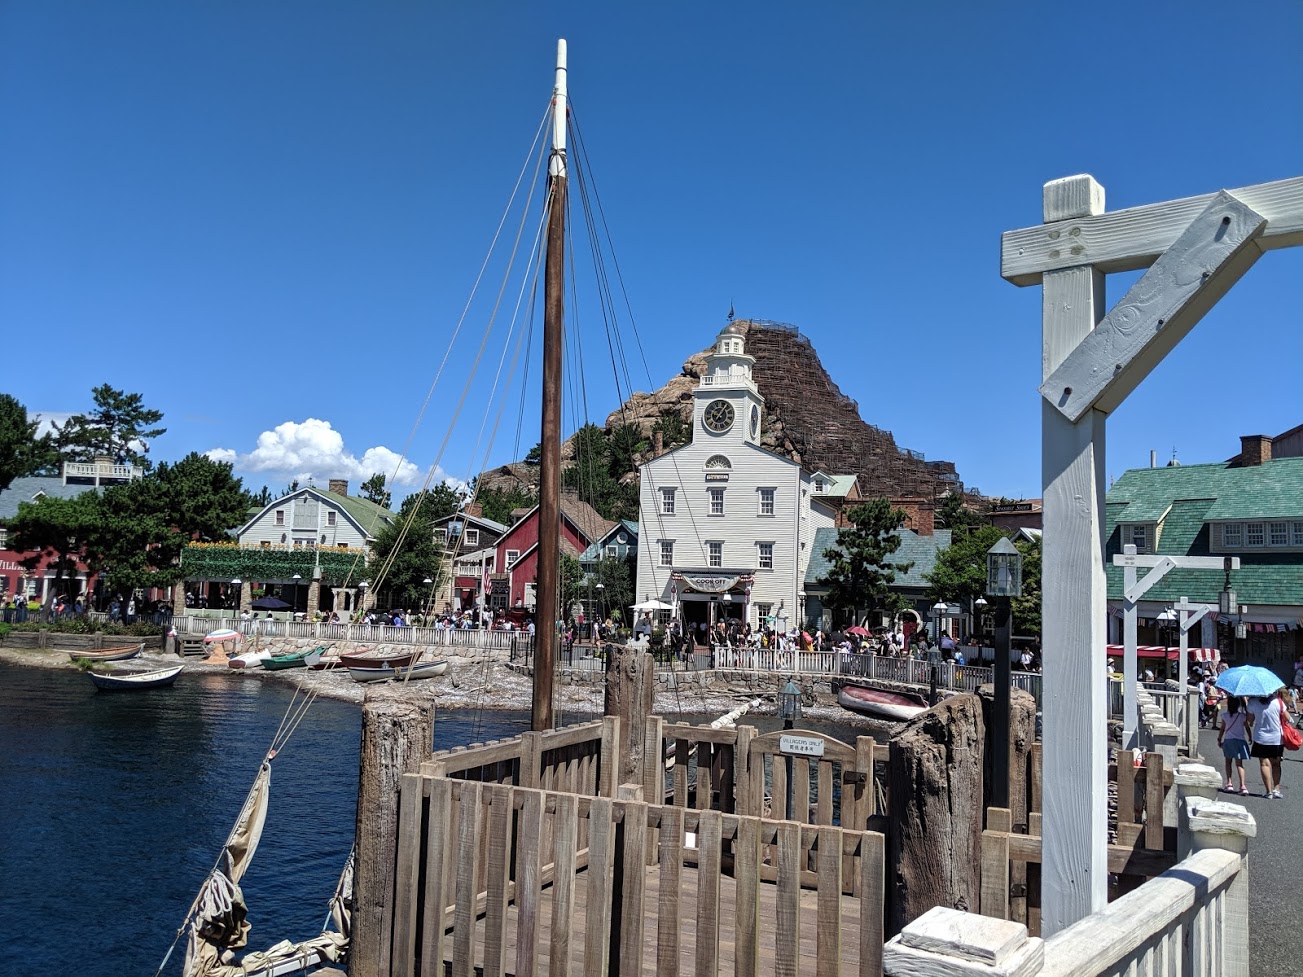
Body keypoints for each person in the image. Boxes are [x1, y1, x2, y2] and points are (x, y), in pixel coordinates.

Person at [1246, 691, 1286, 798]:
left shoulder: (1252, 702)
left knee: (1264, 764)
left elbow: (1250, 720)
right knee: (1276, 764)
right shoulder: (1278, 701)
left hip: (1261, 737)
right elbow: (1286, 717)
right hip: (1277, 737)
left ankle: (1268, 791)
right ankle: (1276, 789)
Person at [1218, 695, 1251, 795]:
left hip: (1228, 740)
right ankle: (1243, 786)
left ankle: (1229, 783)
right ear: (1238, 705)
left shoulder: (1225, 716)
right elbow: (1247, 727)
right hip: (1240, 740)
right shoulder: (1242, 716)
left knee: (1228, 762)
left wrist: (1219, 739)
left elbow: (1222, 729)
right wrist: (1250, 737)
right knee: (1239, 764)